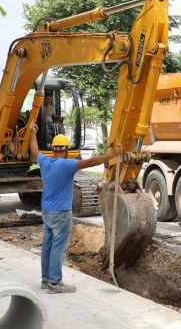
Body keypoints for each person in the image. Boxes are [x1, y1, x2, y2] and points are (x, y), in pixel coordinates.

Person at [29, 121, 122, 294]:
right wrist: (112, 154)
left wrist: (33, 133)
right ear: (65, 149)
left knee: (48, 246)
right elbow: (91, 162)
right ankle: (55, 283)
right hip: (61, 214)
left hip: (47, 212)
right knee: (58, 247)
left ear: (54, 148)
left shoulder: (44, 161)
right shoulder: (66, 165)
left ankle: (46, 279)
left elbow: (34, 151)